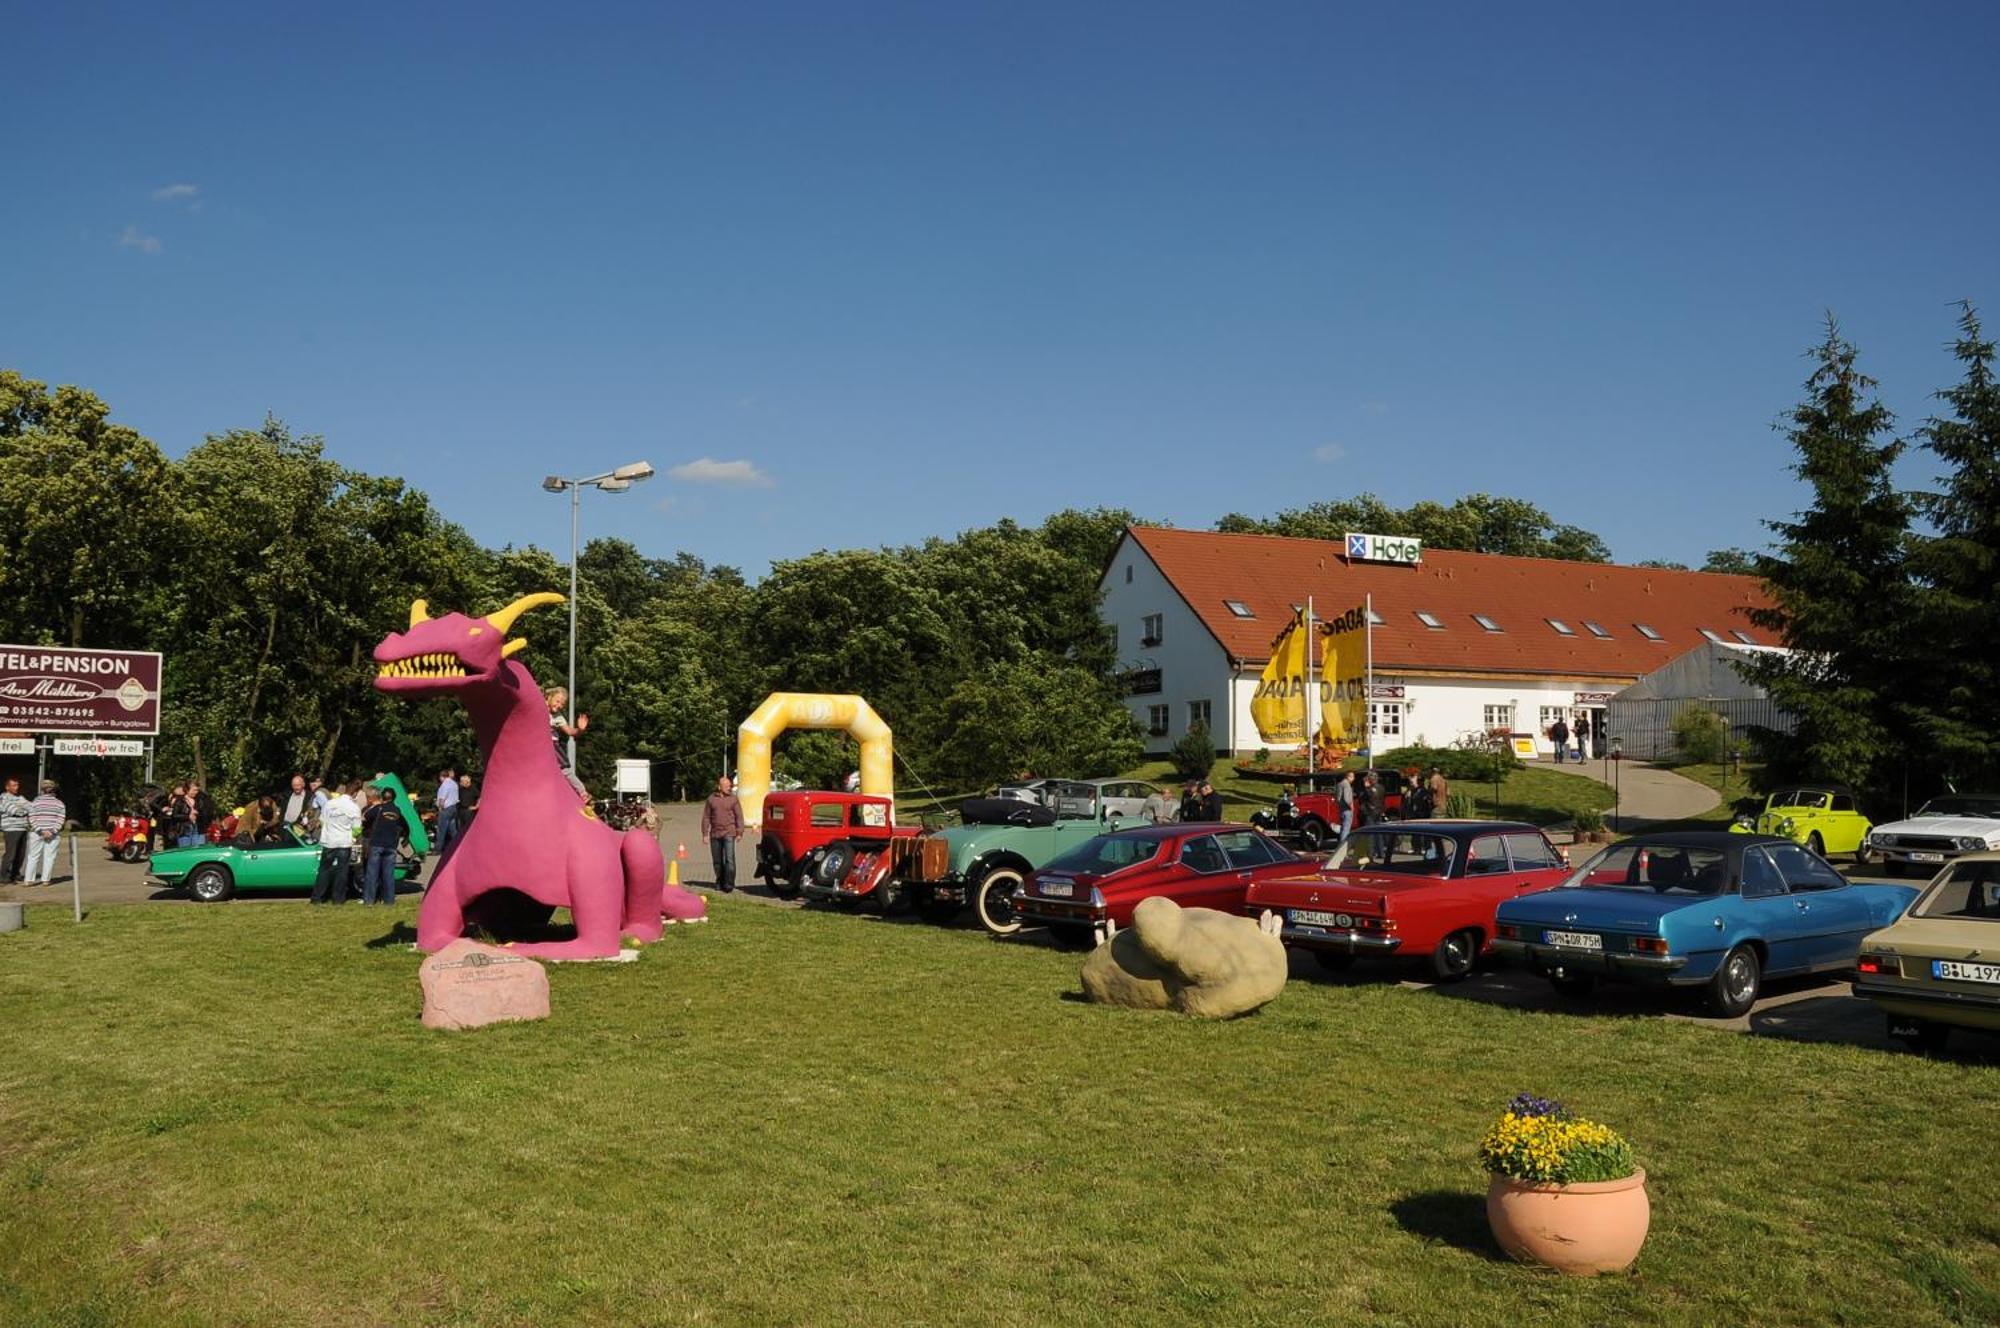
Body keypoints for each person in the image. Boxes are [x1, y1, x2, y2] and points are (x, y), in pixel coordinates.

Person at [312, 779, 362, 905]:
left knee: (324, 870)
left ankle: (317, 897)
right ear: (355, 793)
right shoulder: (354, 807)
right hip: (344, 842)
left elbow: (322, 821)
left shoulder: (329, 804)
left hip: (329, 841)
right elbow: (357, 829)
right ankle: (338, 899)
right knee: (342, 871)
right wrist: (350, 834)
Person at [359, 785, 405, 906]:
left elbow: (365, 818)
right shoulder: (397, 810)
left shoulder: (378, 809)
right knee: (388, 875)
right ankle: (389, 900)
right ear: (394, 798)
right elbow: (405, 826)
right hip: (391, 846)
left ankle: (369, 900)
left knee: (372, 874)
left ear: (382, 797)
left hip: (376, 844)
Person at [701, 774, 744, 891]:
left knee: (729, 859)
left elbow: (739, 816)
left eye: (729, 786)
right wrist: (705, 833)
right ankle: (719, 880)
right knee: (717, 860)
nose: (728, 788)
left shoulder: (733, 799)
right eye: (725, 786)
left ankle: (729, 883)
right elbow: (706, 817)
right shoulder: (711, 799)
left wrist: (740, 832)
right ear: (719, 787)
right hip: (715, 834)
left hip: (729, 833)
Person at [546, 687, 590, 800]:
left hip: (552, 746)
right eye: (557, 701)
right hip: (537, 744)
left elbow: (570, 731)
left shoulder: (558, 717)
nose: (559, 705)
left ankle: (582, 792)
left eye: (562, 704)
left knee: (564, 770)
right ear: (550, 697)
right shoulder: (539, 707)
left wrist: (580, 730)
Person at [25, 781, 66, 886]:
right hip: (52, 834)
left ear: (42, 790)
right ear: (54, 790)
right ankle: (46, 880)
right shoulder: (59, 803)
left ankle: (29, 880)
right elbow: (60, 819)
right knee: (49, 857)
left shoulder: (35, 802)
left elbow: (31, 817)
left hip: (36, 833)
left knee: (33, 856)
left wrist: (39, 830)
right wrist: (52, 831)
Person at [0, 776, 30, 883]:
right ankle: (3, 875)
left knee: (21, 854)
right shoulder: (3, 798)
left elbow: (31, 807)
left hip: (23, 828)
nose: (17, 787)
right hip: (11, 829)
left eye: (17, 785)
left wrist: (24, 809)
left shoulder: (21, 797)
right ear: (7, 787)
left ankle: (15, 874)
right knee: (10, 853)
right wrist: (24, 810)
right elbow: (14, 811)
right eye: (14, 785)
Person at [434, 767, 460, 851]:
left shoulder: (445, 785)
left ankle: (438, 848)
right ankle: (457, 846)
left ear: (442, 776)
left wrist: (440, 808)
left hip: (446, 808)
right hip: (453, 807)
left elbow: (442, 798)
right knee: (452, 830)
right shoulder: (454, 784)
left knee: (441, 829)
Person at [1334, 770, 1356, 842]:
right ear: (1348, 777)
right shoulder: (1346, 785)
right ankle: (1343, 847)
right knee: (1346, 829)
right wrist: (1351, 806)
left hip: (1341, 809)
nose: (1353, 779)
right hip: (1347, 809)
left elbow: (1337, 798)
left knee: (1343, 828)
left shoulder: (1339, 784)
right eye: (1352, 777)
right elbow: (1347, 798)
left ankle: (1341, 845)